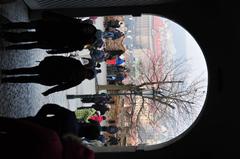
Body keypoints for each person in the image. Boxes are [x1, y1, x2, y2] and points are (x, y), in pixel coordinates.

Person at [0, 11, 97, 53]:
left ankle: (6, 36)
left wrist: (54, 51)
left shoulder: (78, 39)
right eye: (89, 28)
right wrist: (50, 15)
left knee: (25, 37)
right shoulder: (76, 22)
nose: (87, 29)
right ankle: (6, 27)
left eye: (88, 31)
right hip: (47, 25)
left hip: (47, 37)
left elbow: (65, 48)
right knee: (25, 26)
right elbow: (62, 18)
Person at [0, 56, 100, 96]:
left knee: (27, 76)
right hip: (47, 71)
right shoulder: (77, 64)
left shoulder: (78, 79)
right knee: (27, 73)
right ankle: (7, 75)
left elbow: (62, 87)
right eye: (88, 73)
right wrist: (48, 60)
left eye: (88, 75)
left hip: (47, 77)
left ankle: (7, 77)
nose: (86, 74)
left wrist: (49, 91)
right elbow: (60, 59)